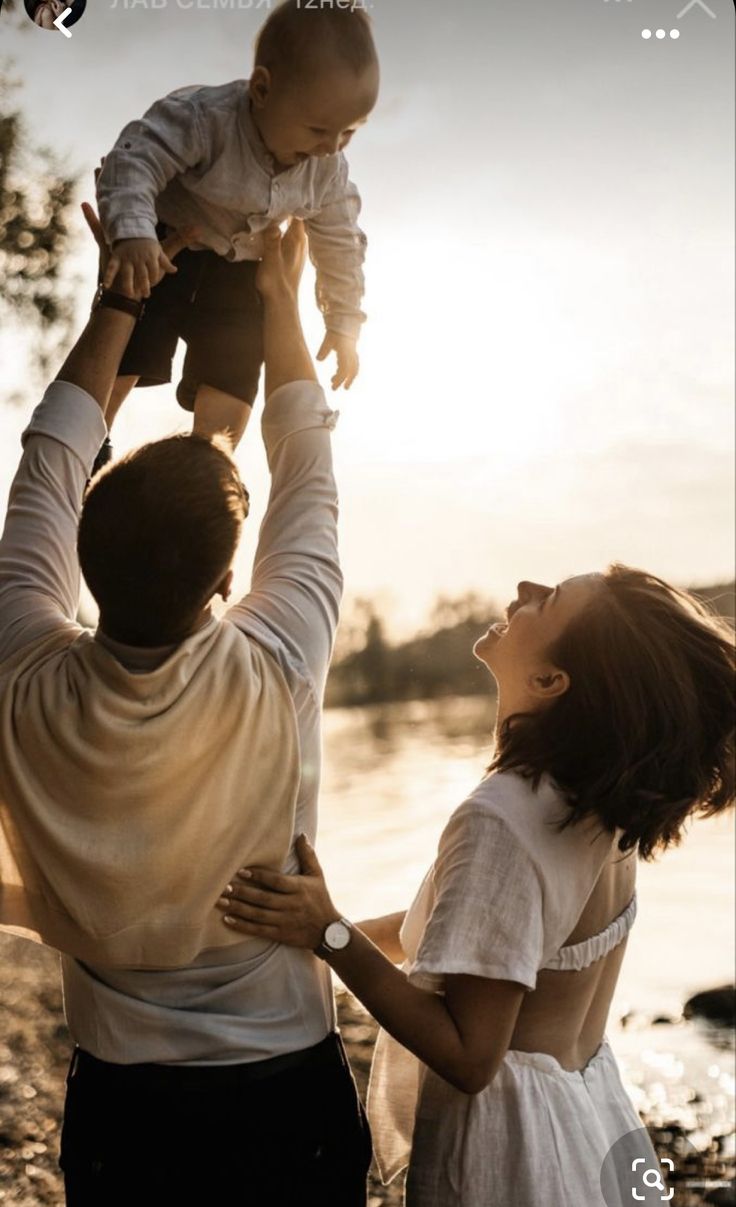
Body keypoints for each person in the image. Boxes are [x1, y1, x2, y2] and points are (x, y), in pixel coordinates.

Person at [0, 217, 371, 1204]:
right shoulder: (278, 657)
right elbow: (304, 453)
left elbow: (47, 458)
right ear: (224, 584)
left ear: (80, 559)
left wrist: (123, 299)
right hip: (286, 1091)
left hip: (124, 1107)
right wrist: (280, 301)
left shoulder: (21, 669)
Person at [219, 569, 736, 1206]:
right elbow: (461, 935)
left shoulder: (503, 818)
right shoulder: (604, 809)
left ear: (550, 681)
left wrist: (327, 936)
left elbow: (469, 1056)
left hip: (514, 1150)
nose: (524, 587)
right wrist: (312, 926)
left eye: (547, 601)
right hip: (594, 1117)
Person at [94, 0, 380, 465]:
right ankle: (89, 438)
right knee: (127, 345)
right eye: (318, 129)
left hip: (240, 275)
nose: (330, 147)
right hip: (166, 250)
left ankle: (208, 464)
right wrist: (133, 233)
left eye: (348, 133)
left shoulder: (325, 170)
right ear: (263, 90)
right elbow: (134, 158)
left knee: (235, 374)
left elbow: (342, 243)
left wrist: (344, 322)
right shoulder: (204, 119)